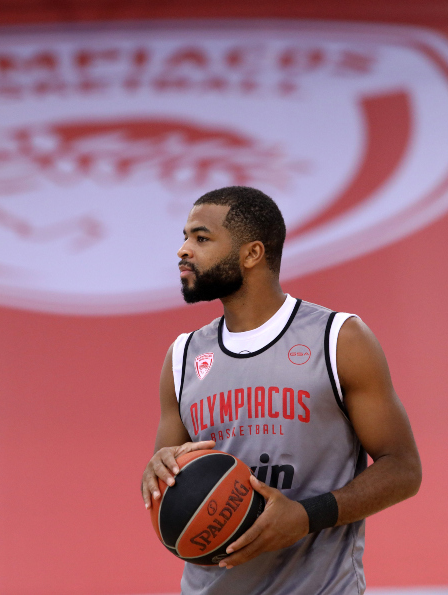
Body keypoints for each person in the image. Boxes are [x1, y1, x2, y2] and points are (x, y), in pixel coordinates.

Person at [140, 186, 421, 594]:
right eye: (185, 237)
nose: (183, 250)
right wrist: (157, 469)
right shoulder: (182, 357)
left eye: (201, 238)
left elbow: (403, 469)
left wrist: (306, 517)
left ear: (252, 254)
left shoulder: (338, 339)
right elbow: (166, 486)